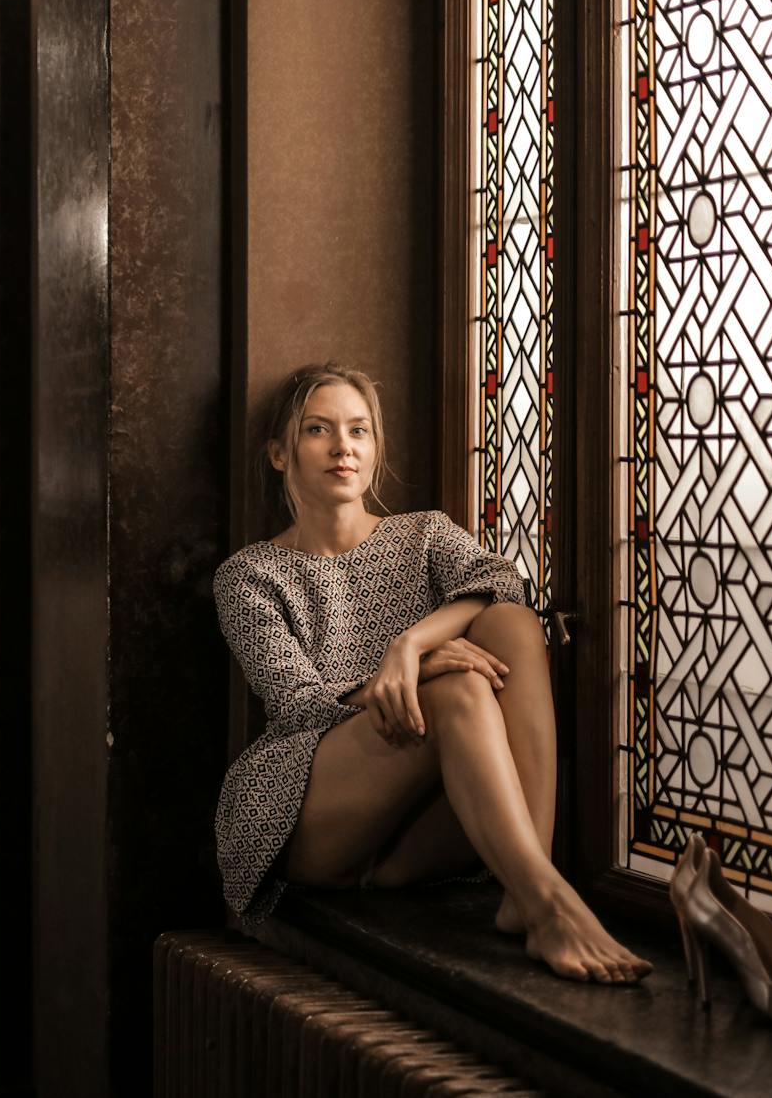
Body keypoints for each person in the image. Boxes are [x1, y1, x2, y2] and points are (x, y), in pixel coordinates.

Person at [213, 363, 652, 984]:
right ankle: (549, 903)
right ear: (280, 454)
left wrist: (410, 646)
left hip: (418, 831)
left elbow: (506, 588)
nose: (344, 447)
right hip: (309, 807)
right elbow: (299, 709)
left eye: (359, 431)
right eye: (318, 430)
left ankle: (525, 887)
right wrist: (415, 681)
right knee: (460, 689)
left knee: (511, 625)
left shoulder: (422, 535)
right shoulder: (249, 575)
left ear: (375, 448)